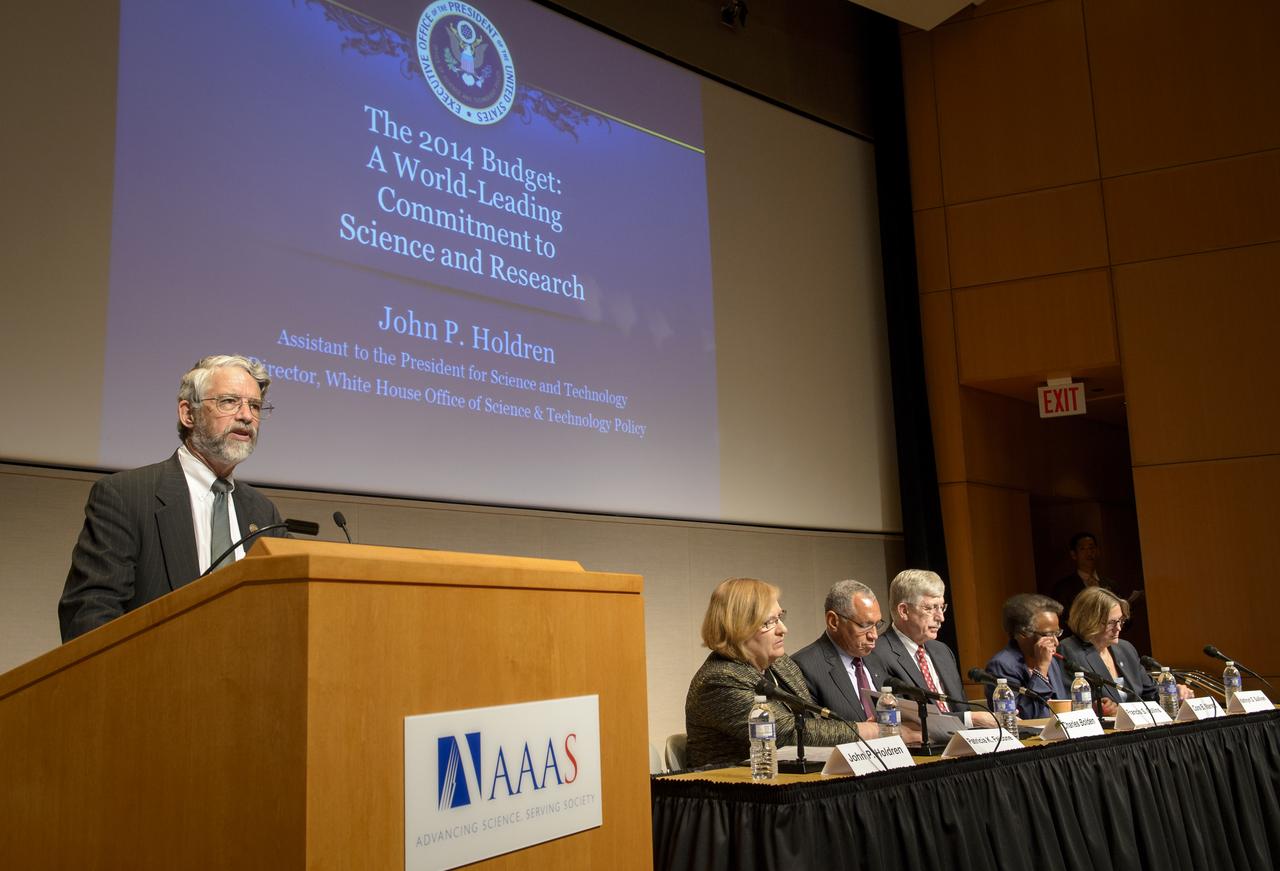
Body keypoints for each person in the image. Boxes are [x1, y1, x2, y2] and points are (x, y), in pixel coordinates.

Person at [59, 355, 286, 642]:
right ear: (187, 414)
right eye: (229, 402)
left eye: (254, 405)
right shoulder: (126, 496)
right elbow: (88, 614)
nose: (246, 416)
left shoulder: (263, 513)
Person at [684, 577, 861, 768]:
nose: (783, 629)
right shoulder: (719, 679)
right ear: (738, 628)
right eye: (769, 622)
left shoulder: (780, 664)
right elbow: (789, 734)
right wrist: (865, 731)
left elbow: (812, 722)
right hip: (736, 790)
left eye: (780, 618)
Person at [874, 569, 998, 729]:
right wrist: (971, 718)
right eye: (930, 608)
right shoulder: (878, 654)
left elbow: (961, 708)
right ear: (904, 611)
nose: (941, 617)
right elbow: (906, 721)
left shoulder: (942, 651)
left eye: (941, 607)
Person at [1059, 586, 1190, 716]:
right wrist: (1096, 708)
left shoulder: (1125, 648)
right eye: (1111, 622)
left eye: (1121, 621)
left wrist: (1173, 693)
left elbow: (1151, 693)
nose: (1119, 628)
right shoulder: (1069, 650)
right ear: (1089, 620)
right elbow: (1067, 702)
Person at [792, 579, 894, 734]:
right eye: (865, 625)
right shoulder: (804, 667)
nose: (874, 635)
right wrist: (869, 731)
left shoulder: (878, 658)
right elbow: (810, 734)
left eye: (877, 624)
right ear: (833, 621)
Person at [984, 593, 1069, 719]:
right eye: (1048, 634)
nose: (1056, 642)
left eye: (1057, 633)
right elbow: (1024, 718)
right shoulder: (1001, 666)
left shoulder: (1052, 661)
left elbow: (1062, 708)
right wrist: (1041, 669)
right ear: (1023, 633)